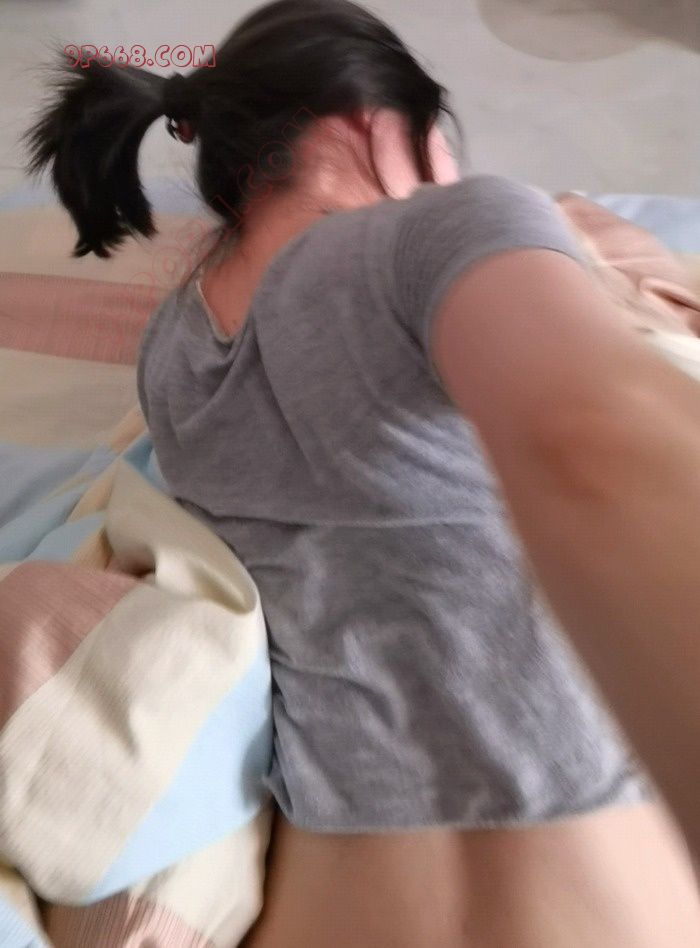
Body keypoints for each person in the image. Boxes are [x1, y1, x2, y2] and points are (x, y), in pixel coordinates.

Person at [25, 1, 700, 945]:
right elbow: (595, 443)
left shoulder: (171, 355)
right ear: (378, 122)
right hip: (598, 891)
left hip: (330, 897)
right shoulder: (443, 229)